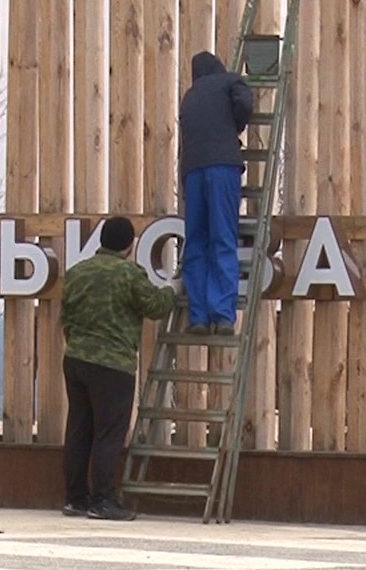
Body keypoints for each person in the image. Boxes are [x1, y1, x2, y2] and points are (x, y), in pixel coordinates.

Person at [60, 215, 176, 521]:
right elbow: (156, 307)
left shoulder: (77, 272)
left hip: (75, 360)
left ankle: (75, 498)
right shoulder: (129, 274)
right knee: (108, 434)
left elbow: (66, 316)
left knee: (79, 430)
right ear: (130, 244)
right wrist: (172, 289)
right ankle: (103, 500)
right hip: (112, 365)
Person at [179, 50, 254, 336]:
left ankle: (198, 317)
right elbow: (244, 102)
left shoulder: (189, 96)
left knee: (196, 241)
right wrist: (237, 125)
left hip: (192, 170)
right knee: (223, 237)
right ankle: (223, 315)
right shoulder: (230, 81)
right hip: (222, 167)